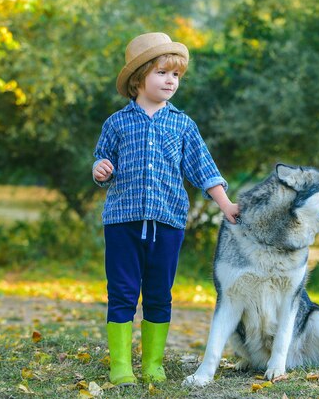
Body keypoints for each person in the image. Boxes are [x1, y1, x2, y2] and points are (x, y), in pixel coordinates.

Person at [92, 32, 239, 386]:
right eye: (162, 73)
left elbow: (203, 169)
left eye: (176, 75)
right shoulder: (117, 122)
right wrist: (100, 169)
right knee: (123, 291)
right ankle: (121, 365)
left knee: (159, 293)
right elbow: (102, 159)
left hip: (168, 222)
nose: (171, 80)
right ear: (139, 78)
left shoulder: (183, 124)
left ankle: (153, 363)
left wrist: (226, 204)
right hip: (122, 222)